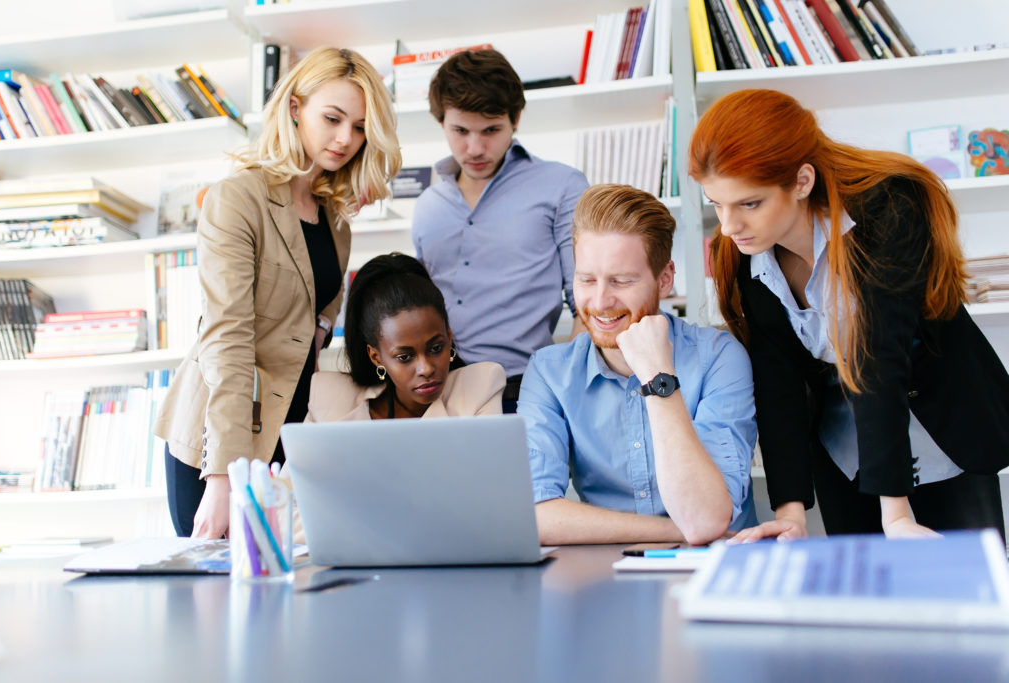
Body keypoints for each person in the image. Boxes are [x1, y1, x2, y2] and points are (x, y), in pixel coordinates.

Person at [691, 88, 1009, 541]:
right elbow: (778, 383)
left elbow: (879, 358)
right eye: (716, 204)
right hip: (846, 446)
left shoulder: (889, 209)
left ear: (801, 181)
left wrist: (895, 515)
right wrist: (791, 512)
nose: (728, 226)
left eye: (749, 203)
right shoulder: (744, 252)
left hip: (941, 421)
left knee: (970, 593)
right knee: (864, 596)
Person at [153, 46, 401, 538]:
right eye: (332, 118)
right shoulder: (237, 199)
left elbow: (321, 300)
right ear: (294, 107)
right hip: (218, 435)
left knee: (285, 590)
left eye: (358, 127)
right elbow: (227, 338)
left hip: (292, 428)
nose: (344, 138)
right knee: (216, 598)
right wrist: (224, 474)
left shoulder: (335, 220)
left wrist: (321, 327)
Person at [519, 184, 758, 546]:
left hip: (717, 572)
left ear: (664, 279)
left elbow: (707, 515)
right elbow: (535, 514)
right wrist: (676, 533)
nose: (600, 302)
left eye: (622, 280)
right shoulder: (549, 372)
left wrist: (657, 376)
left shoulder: (719, 358)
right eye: (586, 279)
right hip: (611, 567)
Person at [412, 48, 589, 413]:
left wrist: (567, 390)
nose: (475, 148)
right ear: (440, 121)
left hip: (526, 392)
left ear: (516, 119)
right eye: (460, 131)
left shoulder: (562, 186)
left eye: (491, 130)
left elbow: (588, 302)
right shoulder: (427, 206)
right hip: (437, 397)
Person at [305, 252, 505, 422]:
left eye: (435, 348)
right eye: (404, 357)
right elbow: (297, 469)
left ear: (449, 337)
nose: (426, 369)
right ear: (376, 357)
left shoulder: (479, 387)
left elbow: (491, 467)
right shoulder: (330, 399)